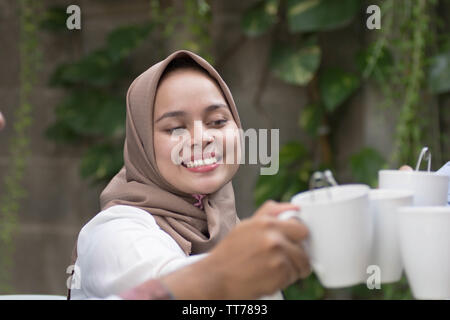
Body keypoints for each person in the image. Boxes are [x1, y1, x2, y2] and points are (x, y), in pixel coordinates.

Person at [68, 50, 311, 300]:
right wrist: (239, 262)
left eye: (217, 121)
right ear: (142, 144)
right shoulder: (114, 234)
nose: (202, 138)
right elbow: (164, 287)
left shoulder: (225, 224)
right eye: (174, 128)